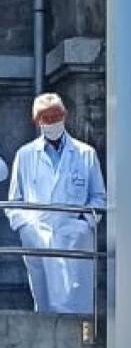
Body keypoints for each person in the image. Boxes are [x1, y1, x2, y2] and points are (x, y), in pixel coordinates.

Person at [5, 93, 105, 314]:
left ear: (65, 116)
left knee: (76, 303)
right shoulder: (25, 155)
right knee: (44, 301)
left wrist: (84, 224)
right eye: (45, 117)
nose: (51, 122)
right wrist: (27, 228)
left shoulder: (85, 154)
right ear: (36, 121)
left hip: (75, 237)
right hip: (38, 236)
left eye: (55, 116)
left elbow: (98, 197)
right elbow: (14, 202)